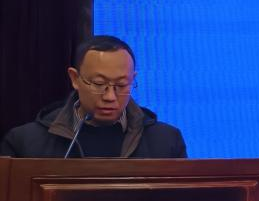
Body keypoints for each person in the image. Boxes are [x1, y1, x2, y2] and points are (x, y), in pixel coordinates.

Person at [0, 34, 186, 158]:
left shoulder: (166, 142)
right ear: (75, 78)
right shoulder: (24, 142)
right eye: (98, 84)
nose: (110, 97)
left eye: (121, 85)